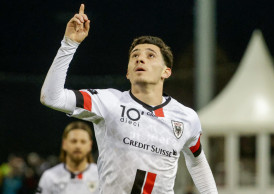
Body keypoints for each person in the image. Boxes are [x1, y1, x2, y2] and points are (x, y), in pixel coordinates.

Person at [40, 4, 218, 193]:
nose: (140, 59)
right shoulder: (109, 102)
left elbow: (198, 164)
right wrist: (69, 44)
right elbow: (51, 97)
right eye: (135, 56)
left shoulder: (186, 118)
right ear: (127, 73)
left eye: (150, 56)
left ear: (166, 72)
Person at [36, 121, 99, 194]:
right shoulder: (49, 177)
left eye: (83, 141)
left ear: (90, 145)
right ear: (64, 144)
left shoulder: (100, 176)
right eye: (73, 141)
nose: (78, 146)